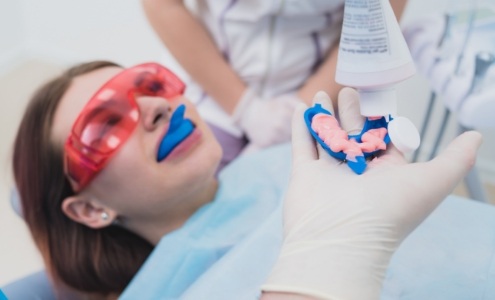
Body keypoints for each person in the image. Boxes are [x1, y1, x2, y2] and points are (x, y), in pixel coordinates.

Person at [8, 60, 481, 299]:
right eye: (106, 126)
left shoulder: (288, 161)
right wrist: (329, 259)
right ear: (90, 209)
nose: (155, 108)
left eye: (150, 85)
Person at [140, 0, 410, 168]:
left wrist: (302, 109)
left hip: (320, 92)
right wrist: (245, 108)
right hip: (210, 89)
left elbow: (381, 10)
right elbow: (162, 4)